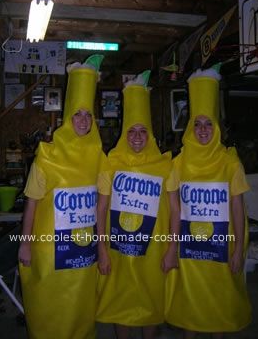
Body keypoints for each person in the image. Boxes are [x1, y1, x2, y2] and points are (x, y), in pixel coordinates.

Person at [18, 55, 108, 339]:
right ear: (68, 118)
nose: (83, 121)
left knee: (80, 310)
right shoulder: (46, 156)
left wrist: (103, 248)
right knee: (48, 308)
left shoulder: (99, 157)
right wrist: (25, 245)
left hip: (83, 251)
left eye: (88, 115)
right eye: (77, 115)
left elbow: (101, 209)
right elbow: (32, 204)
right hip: (49, 250)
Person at [165, 66, 252, 338]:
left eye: (208, 124)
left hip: (220, 247)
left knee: (218, 307)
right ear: (191, 126)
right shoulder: (179, 162)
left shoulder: (229, 162)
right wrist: (173, 246)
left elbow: (237, 207)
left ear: (216, 126)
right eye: (197, 123)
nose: (203, 130)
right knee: (191, 307)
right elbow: (174, 207)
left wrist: (238, 248)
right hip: (190, 249)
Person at [96, 71, 179, 339]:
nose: (137, 136)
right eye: (131, 131)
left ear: (150, 134)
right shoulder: (111, 163)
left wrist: (172, 249)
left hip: (154, 253)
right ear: (124, 133)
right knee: (122, 305)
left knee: (150, 303)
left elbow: (175, 210)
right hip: (119, 251)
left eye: (143, 131)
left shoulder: (165, 165)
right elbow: (101, 208)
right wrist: (102, 249)